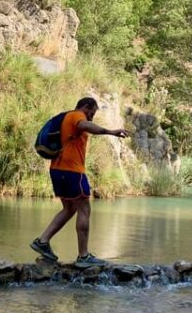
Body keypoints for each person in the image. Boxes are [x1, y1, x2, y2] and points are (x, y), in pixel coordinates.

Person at [30, 97, 129, 268]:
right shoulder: (76, 116)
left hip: (58, 170)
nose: (92, 117)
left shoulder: (67, 118)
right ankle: (83, 256)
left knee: (69, 208)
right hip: (72, 171)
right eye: (92, 112)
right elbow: (85, 126)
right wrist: (111, 132)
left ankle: (42, 241)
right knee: (84, 208)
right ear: (86, 107)